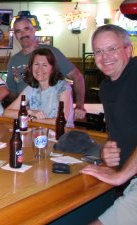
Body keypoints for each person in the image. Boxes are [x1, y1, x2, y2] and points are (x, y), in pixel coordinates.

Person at [80, 24, 137, 225]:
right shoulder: (107, 88)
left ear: (128, 50)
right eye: (99, 51)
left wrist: (121, 175)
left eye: (112, 49)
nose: (105, 57)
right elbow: (121, 133)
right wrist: (110, 151)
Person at [7, 17, 86, 119]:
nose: (23, 34)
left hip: (52, 114)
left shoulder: (51, 53)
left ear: (34, 30)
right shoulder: (14, 61)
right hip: (27, 116)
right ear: (15, 36)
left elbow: (77, 77)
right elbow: (12, 94)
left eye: (26, 29)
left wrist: (79, 105)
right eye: (18, 31)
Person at [4, 48, 74, 127]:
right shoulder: (31, 88)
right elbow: (7, 113)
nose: (39, 69)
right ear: (31, 67)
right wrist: (30, 112)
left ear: (52, 69)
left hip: (62, 136)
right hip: (38, 134)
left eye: (45, 65)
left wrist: (32, 120)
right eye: (36, 64)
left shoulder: (63, 87)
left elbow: (63, 120)